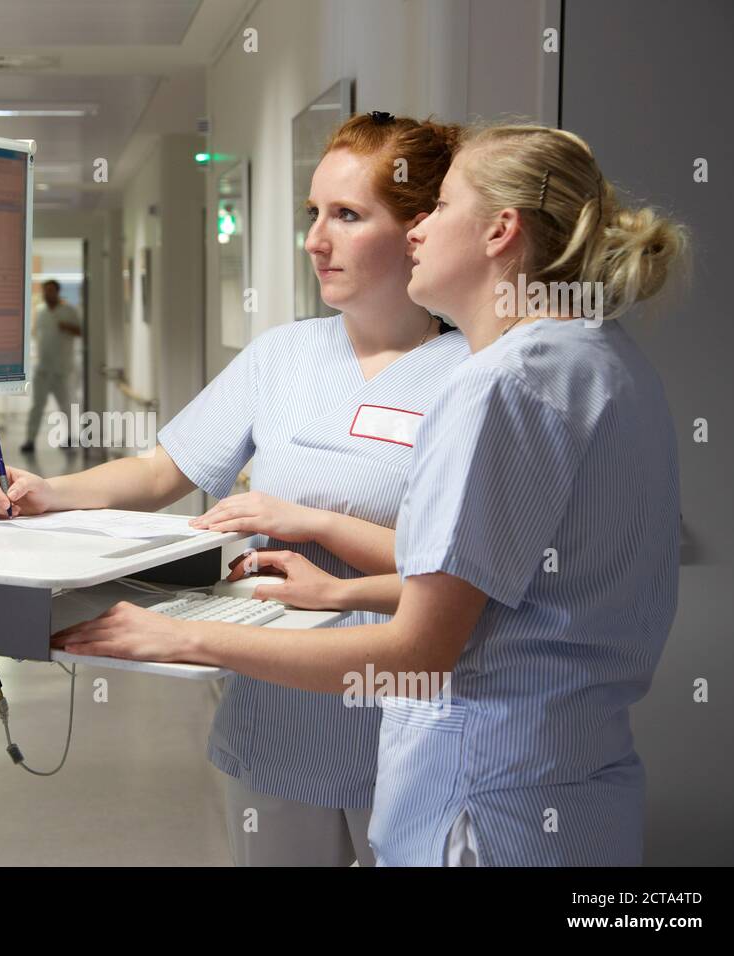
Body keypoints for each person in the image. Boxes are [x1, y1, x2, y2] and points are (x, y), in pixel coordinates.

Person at [54, 123, 688, 866]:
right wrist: (333, 593)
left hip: (488, 796)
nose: (421, 227)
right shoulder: (607, 361)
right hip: (573, 785)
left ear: (500, 231)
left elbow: (421, 647)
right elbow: (521, 591)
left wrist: (182, 639)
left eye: (440, 206)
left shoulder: (495, 384)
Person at [0, 112, 471, 866]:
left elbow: (466, 566)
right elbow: (159, 471)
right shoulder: (282, 355)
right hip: (274, 705)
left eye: (347, 215)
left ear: (417, 229)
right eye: (313, 214)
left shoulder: (472, 374)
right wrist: (54, 490)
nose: (316, 239)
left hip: (405, 718)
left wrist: (310, 522)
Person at [21, 279, 83, 454]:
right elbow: (36, 334)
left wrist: (67, 327)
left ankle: (70, 437)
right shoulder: (40, 311)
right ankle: (30, 440)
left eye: (51, 291)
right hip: (42, 368)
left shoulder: (69, 311)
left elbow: (80, 331)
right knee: (37, 406)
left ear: (57, 292)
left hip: (62, 370)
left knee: (65, 405)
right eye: (45, 291)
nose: (48, 294)